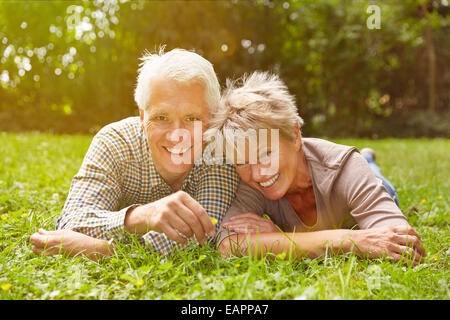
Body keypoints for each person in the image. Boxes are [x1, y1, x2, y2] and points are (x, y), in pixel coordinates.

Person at [29, 48, 239, 260]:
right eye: (161, 117)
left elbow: (201, 239)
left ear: (212, 119)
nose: (177, 135)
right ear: (142, 116)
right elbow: (71, 223)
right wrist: (138, 217)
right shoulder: (114, 142)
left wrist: (106, 252)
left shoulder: (221, 152)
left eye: (192, 118)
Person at [206, 71, 426, 265]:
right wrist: (348, 241)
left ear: (294, 135)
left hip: (366, 178)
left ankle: (369, 160)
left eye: (265, 154)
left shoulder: (344, 166)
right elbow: (229, 246)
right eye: (243, 162)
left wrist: (279, 240)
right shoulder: (252, 181)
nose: (257, 173)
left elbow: (406, 247)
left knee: (375, 175)